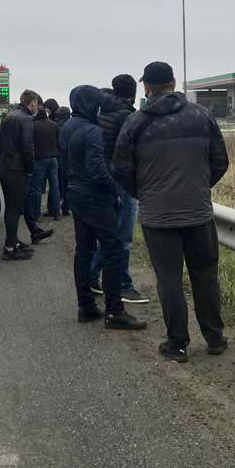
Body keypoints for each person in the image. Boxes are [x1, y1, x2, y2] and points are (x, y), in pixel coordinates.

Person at [111, 61, 229, 361]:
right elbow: (220, 161)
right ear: (174, 82)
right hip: (198, 213)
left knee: (169, 280)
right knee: (205, 276)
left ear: (146, 87)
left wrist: (146, 194)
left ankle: (177, 343)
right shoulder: (201, 115)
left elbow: (120, 169)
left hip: (158, 217)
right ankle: (215, 338)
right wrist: (198, 187)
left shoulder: (135, 123)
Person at [61, 85, 145, 329]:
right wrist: (113, 190)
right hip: (94, 196)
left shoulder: (68, 126)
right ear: (90, 104)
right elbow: (97, 169)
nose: (100, 108)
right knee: (113, 250)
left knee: (84, 249)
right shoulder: (92, 130)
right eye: (97, 103)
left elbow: (65, 162)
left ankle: (86, 306)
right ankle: (114, 311)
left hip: (75, 192)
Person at [89, 74, 148, 304]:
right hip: (123, 181)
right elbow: (131, 151)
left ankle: (91, 275)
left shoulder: (103, 111)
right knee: (123, 236)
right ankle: (123, 285)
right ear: (133, 92)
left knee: (108, 233)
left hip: (106, 178)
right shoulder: (126, 116)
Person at [0, 90, 53, 260]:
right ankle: (10, 247)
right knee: (15, 210)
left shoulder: (9, 116)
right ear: (33, 102)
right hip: (17, 169)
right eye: (36, 103)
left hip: (5, 166)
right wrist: (30, 168)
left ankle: (12, 241)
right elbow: (28, 147)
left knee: (10, 209)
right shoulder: (26, 119)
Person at [29, 100, 61, 221]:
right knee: (54, 186)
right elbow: (58, 141)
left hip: (39, 159)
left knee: (37, 188)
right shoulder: (54, 125)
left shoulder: (34, 125)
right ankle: (56, 213)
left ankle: (37, 214)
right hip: (53, 159)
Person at [52, 105, 72, 215]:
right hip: (70, 160)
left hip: (58, 158)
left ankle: (55, 208)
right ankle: (66, 208)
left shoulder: (55, 126)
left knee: (58, 185)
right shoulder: (71, 126)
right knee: (68, 184)